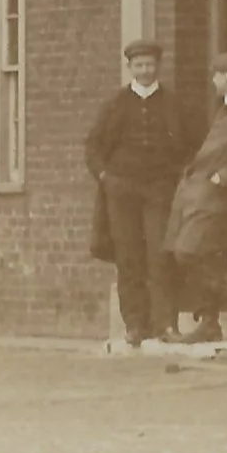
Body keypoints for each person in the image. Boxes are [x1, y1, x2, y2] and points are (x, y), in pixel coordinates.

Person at [84, 40, 198, 347]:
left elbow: (193, 144)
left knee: (161, 256)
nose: (145, 70)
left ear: (157, 67)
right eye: (139, 65)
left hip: (161, 189)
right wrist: (106, 177)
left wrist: (180, 176)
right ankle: (135, 325)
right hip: (122, 191)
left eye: (150, 65)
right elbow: (93, 147)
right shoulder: (116, 104)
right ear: (130, 68)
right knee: (129, 257)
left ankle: (166, 325)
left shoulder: (174, 104)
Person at [166, 49, 227, 343]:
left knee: (189, 252)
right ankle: (210, 321)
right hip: (198, 195)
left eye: (216, 75)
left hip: (218, 198)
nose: (213, 80)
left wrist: (221, 178)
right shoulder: (225, 109)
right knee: (195, 255)